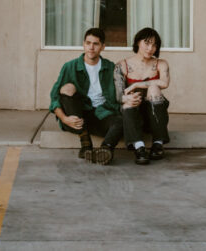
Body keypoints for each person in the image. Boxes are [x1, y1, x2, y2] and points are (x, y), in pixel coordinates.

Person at [49, 27, 123, 165]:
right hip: (77, 115)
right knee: (67, 88)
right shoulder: (70, 67)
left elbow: (119, 95)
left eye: (95, 44)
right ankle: (85, 143)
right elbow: (54, 98)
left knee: (120, 121)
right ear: (83, 44)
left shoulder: (110, 67)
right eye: (88, 43)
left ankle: (105, 150)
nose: (91, 47)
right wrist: (65, 119)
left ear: (102, 47)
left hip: (102, 114)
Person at [115, 27, 170, 165]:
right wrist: (129, 95)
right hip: (133, 113)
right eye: (147, 43)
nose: (150, 48)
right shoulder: (122, 65)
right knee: (128, 99)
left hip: (154, 113)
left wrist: (136, 85)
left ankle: (158, 143)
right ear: (138, 42)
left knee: (154, 89)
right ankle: (139, 147)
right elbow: (119, 96)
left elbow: (164, 82)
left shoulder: (161, 63)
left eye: (154, 44)